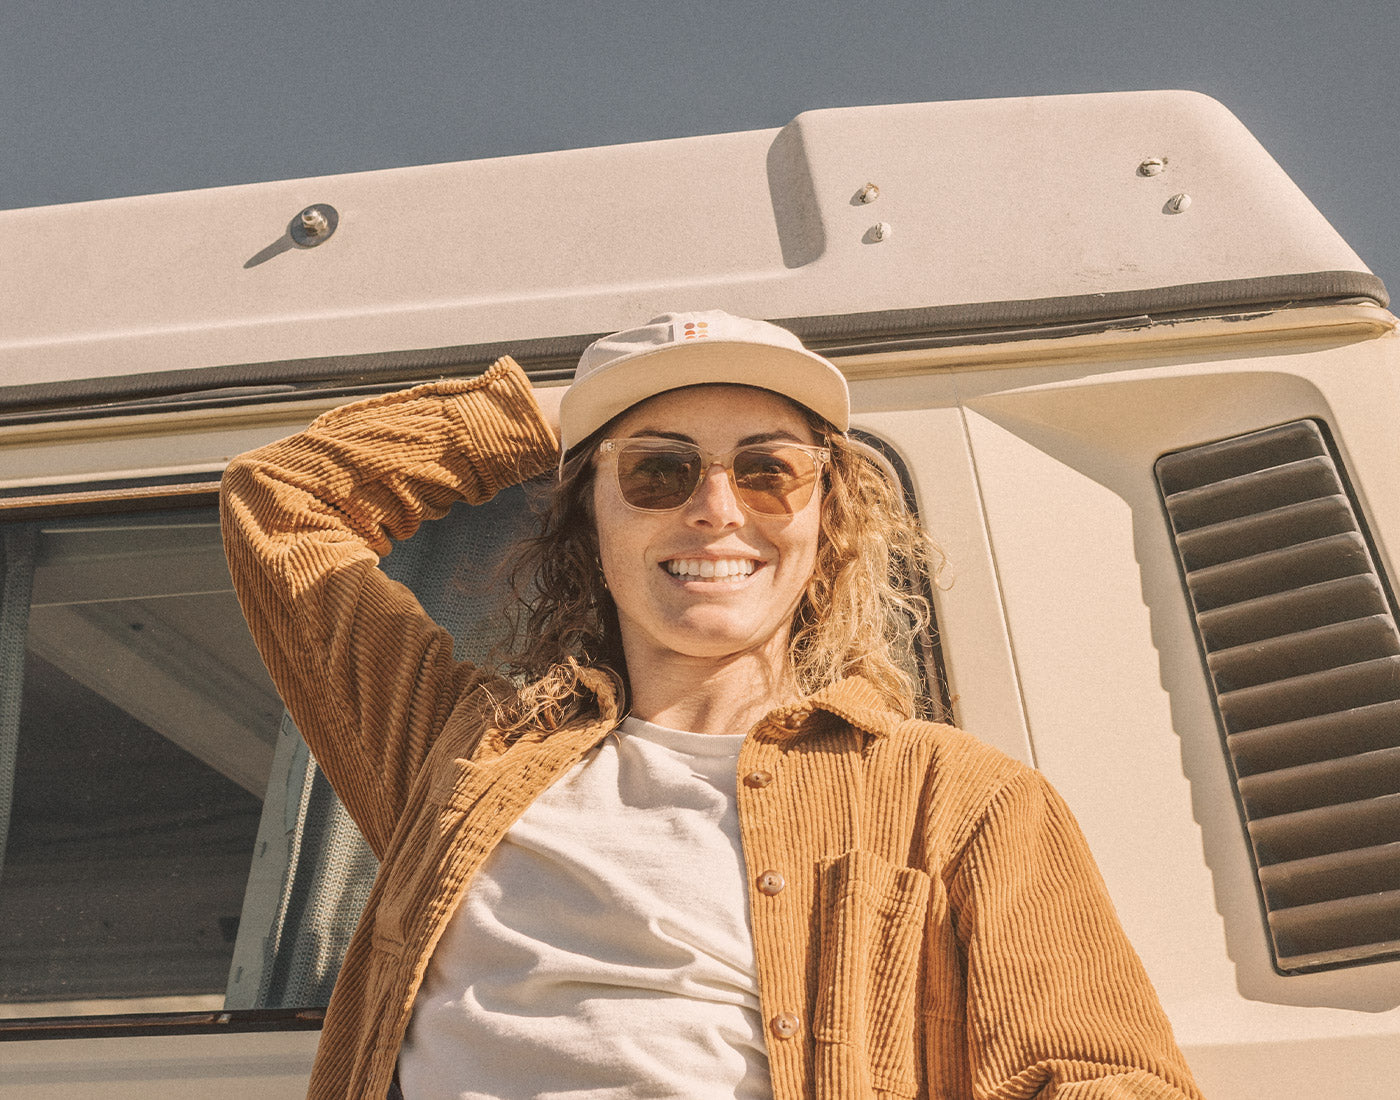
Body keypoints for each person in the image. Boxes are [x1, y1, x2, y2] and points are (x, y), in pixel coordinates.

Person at [221, 311, 1205, 1100]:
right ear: (589, 520)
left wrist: (629, 430)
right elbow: (281, 502)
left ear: (825, 518)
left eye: (768, 470)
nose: (717, 508)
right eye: (657, 469)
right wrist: (566, 419)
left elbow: (1096, 1075)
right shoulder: (455, 749)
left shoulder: (955, 795)